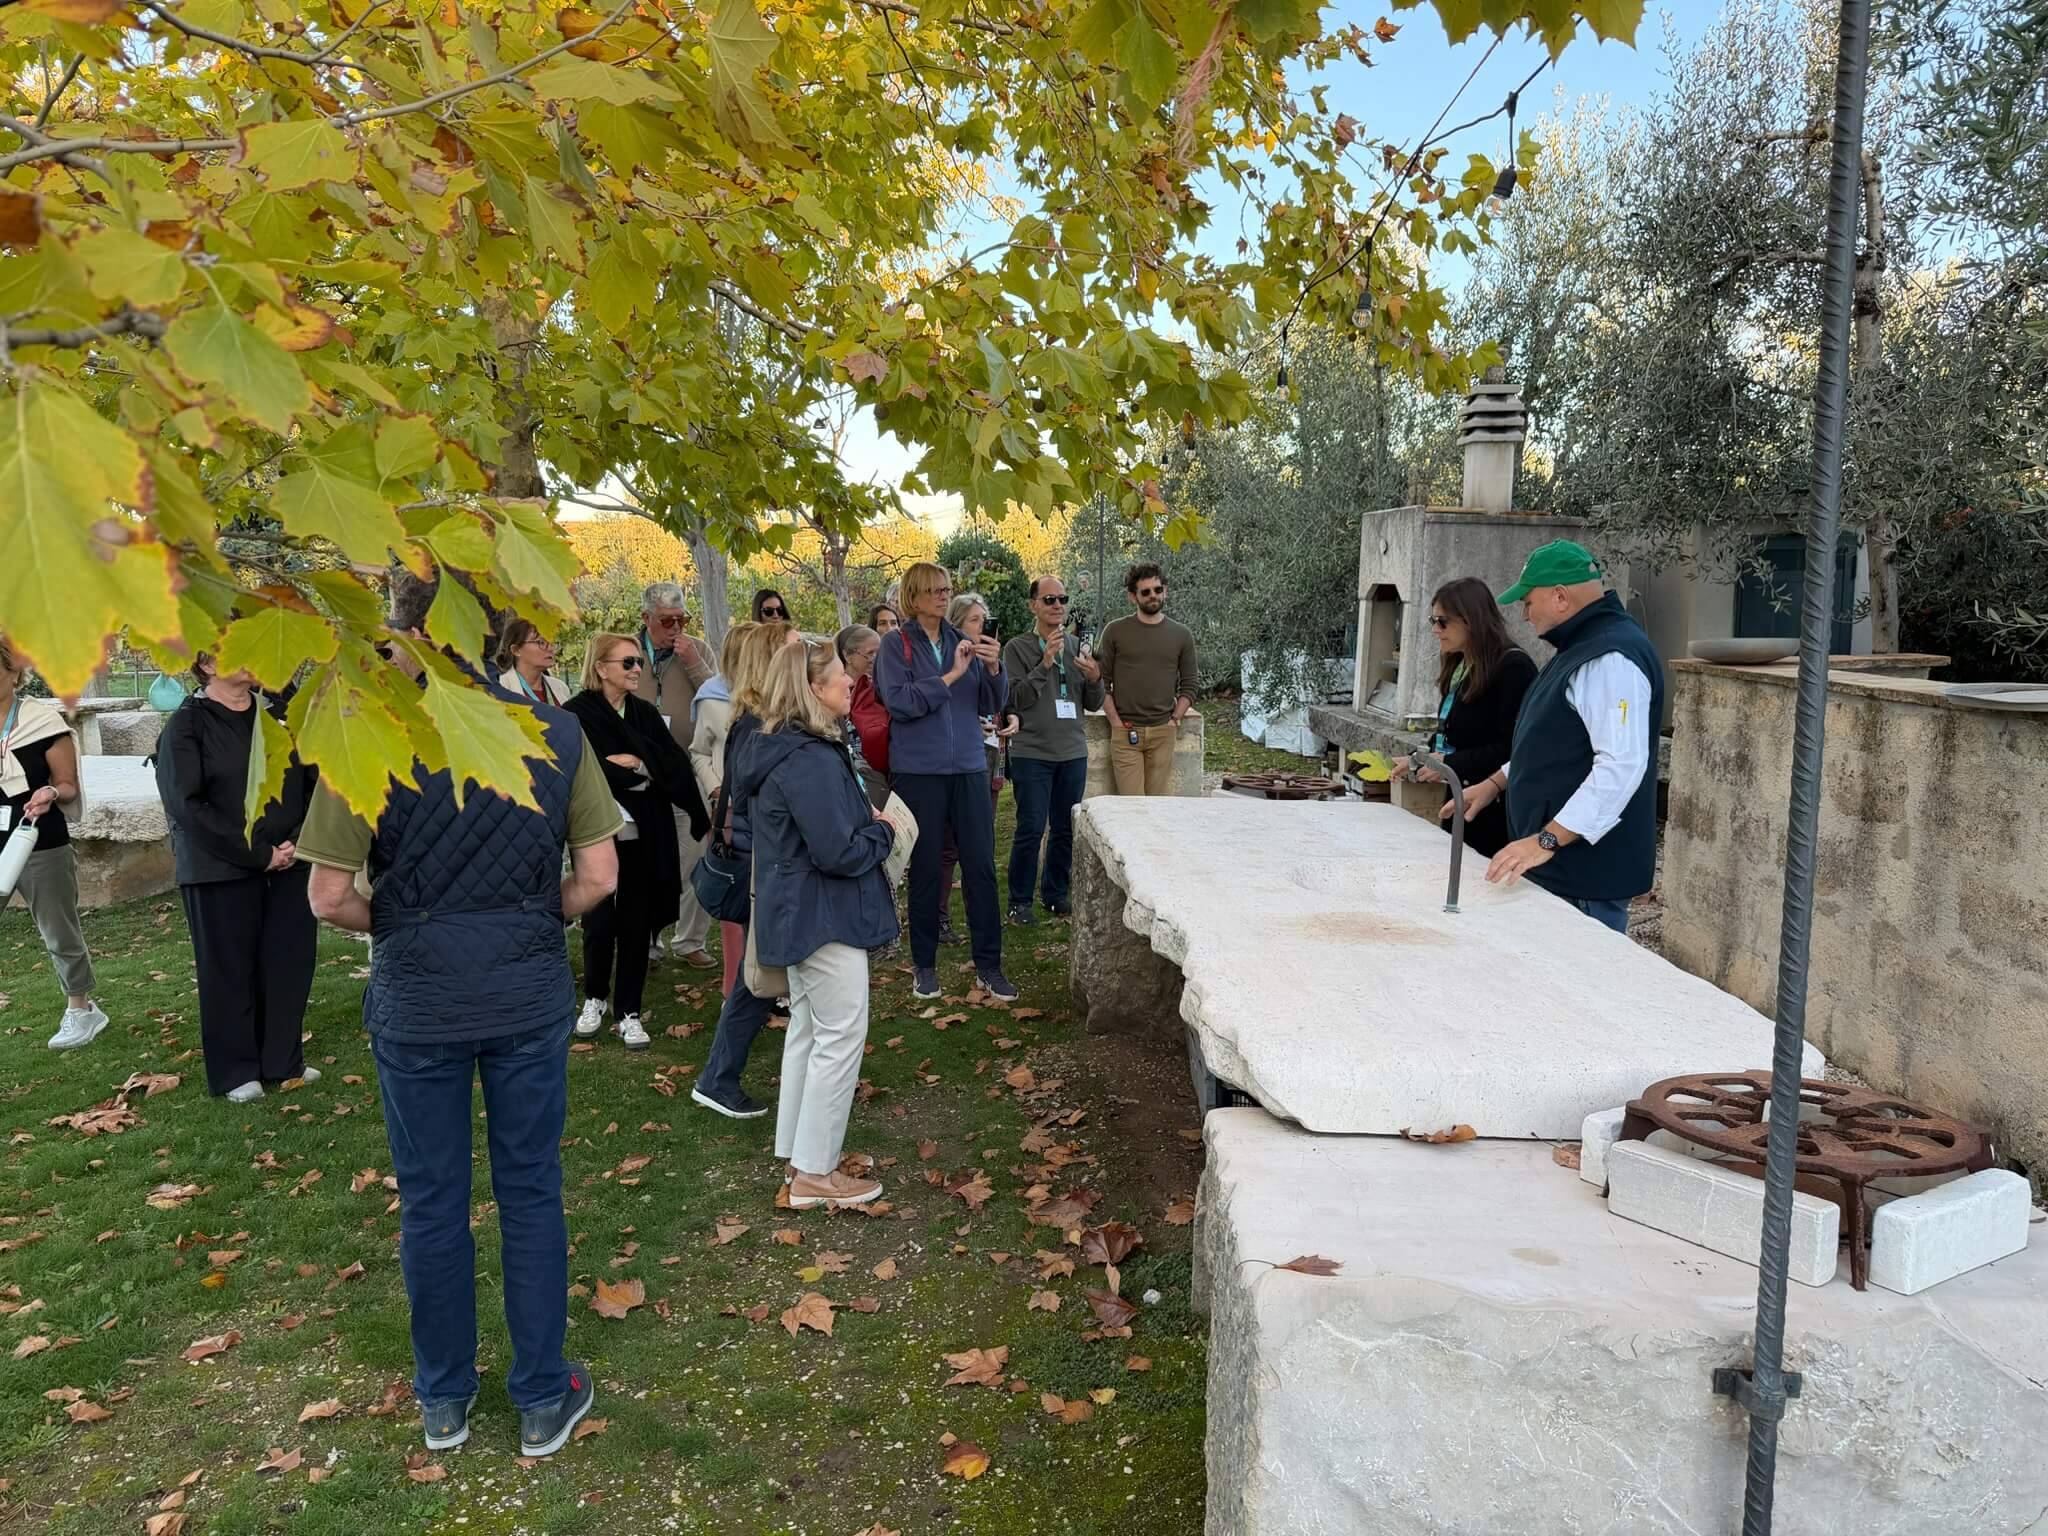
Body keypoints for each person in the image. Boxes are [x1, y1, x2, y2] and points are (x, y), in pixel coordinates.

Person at [301, 569, 621, 1459]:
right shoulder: (557, 733)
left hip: (418, 999)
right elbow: (599, 879)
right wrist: (527, 917)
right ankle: (538, 1395)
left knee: (432, 1203)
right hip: (522, 991)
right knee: (529, 1191)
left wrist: (403, 921)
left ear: (405, 638)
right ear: (492, 637)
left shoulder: (366, 734)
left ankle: (445, 1400)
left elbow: (327, 897)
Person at [726, 641, 902, 1206]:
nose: (850, 683)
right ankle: (814, 1174)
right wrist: (884, 832)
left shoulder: (786, 747)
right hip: (823, 912)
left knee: (809, 1028)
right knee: (839, 1035)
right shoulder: (807, 755)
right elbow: (838, 851)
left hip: (799, 907)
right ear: (812, 688)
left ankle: (801, 1156)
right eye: (839, 677)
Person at [1449, 541, 1665, 933]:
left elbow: (1621, 766)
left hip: (1583, 877)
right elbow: (1555, 747)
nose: (1525, 615)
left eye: (1528, 602)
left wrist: (1545, 841)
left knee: (1581, 986)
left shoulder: (1610, 658)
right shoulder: (1581, 648)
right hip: (1564, 869)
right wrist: (1495, 784)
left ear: (1560, 597)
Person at [155, 654, 320, 1102]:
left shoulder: (280, 716)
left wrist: (292, 843)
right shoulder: (187, 726)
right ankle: (235, 1072)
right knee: (229, 968)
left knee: (288, 962)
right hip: (219, 869)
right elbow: (186, 804)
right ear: (206, 664)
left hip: (290, 860)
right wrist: (257, 854)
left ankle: (283, 1061)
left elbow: (312, 783)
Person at [875, 562, 1015, 1003]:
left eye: (946, 588)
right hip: (920, 772)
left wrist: (994, 670)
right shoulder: (895, 647)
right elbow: (901, 703)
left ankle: (989, 966)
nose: (942, 595)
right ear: (913, 598)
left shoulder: (964, 642)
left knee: (980, 866)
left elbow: (991, 704)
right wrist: (951, 676)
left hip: (971, 767)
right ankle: (925, 966)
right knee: (927, 869)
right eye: (934, 590)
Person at [569, 632, 711, 1048]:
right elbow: (582, 768)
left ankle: (628, 1010)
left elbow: (673, 763)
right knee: (598, 919)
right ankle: (594, 997)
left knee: (636, 919)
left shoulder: (645, 713)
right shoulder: (576, 713)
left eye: (638, 663)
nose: (636, 670)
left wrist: (642, 763)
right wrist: (634, 769)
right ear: (600, 668)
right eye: (627, 662)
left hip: (645, 828)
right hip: (596, 828)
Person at [689, 619, 799, 1120]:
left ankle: (721, 1077)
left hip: (764, 863)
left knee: (764, 976)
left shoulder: (753, 722)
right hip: (764, 868)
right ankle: (717, 1078)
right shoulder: (759, 727)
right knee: (759, 979)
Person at [0, 635, 105, 1050]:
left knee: (58, 930)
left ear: (14, 673)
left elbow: (68, 786)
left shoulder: (42, 722)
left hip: (38, 843)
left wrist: (50, 794)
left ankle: (81, 1009)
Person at [1388, 578, 1537, 859]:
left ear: (1471, 620)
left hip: (1494, 813)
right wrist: (1419, 760)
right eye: (1433, 620)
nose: (1435, 630)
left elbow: (1514, 749)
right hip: (1458, 802)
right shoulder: (1460, 664)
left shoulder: (1514, 668)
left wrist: (1449, 763)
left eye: (1442, 622)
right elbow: (1452, 733)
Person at [1001, 575, 1103, 923]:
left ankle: (1055, 894)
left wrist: (1094, 679)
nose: (1058, 605)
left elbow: (1091, 703)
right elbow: (1015, 699)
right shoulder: (1017, 648)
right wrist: (1045, 663)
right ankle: (1019, 901)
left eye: (1062, 599)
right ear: (1034, 605)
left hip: (1072, 751)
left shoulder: (1077, 647)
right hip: (1032, 752)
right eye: (1049, 600)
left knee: (1064, 827)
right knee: (1030, 827)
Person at [634, 582, 719, 969]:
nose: (676, 628)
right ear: (646, 618)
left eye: (682, 619)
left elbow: (719, 697)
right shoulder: (627, 652)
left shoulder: (697, 649)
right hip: (639, 773)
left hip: (689, 770)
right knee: (645, 859)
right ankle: (647, 937)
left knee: (697, 852)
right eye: (667, 620)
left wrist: (693, 663)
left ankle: (690, 939)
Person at [937, 592, 1009, 944]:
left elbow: (995, 702)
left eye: (986, 619)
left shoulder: (987, 661)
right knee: (947, 845)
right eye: (975, 621)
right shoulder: (944, 660)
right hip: (950, 763)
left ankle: (981, 923)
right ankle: (939, 919)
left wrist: (995, 667)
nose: (984, 626)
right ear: (957, 626)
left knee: (979, 845)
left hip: (984, 759)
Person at [1098, 563, 1198, 795]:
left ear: (1166, 590)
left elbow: (1190, 685)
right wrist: (1115, 722)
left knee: (1157, 809)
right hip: (1125, 731)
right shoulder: (1115, 631)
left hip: (1164, 731)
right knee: (1133, 809)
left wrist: (1174, 720)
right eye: (1146, 592)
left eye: (1158, 589)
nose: (1153, 595)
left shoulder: (1181, 635)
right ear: (1133, 597)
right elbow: (1101, 682)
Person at [840, 623, 891, 780]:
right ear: (848, 656)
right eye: (870, 654)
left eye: (879, 654)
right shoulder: (836, 691)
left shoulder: (884, 687)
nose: (876, 660)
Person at [496, 619, 572, 706]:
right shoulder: (501, 688)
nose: (551, 648)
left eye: (552, 642)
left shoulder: (561, 687)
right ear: (516, 650)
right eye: (541, 642)